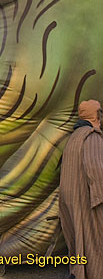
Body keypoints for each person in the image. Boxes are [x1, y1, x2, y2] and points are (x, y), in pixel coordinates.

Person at [59, 99, 103, 279]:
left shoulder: (75, 136)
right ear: (95, 115)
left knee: (79, 240)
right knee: (94, 241)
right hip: (86, 198)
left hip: (71, 199)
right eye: (100, 112)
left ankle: (78, 273)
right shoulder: (91, 136)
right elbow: (97, 170)